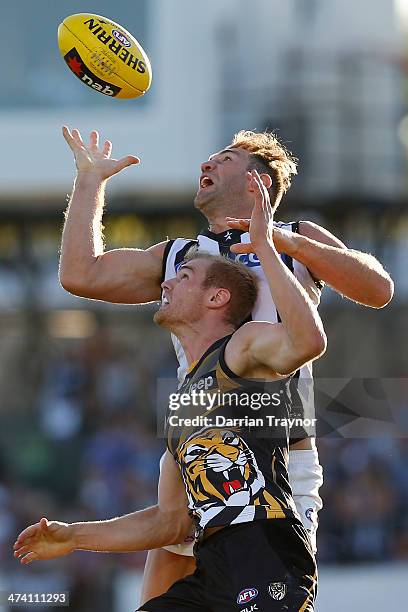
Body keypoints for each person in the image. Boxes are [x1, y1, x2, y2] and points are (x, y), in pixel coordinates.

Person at [58, 126, 393, 603]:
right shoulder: (180, 258)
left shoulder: (296, 239)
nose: (206, 165)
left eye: (224, 159)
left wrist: (281, 243)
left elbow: (378, 290)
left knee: (269, 593)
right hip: (198, 450)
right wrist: (91, 181)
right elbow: (80, 274)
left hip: (278, 458)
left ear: (260, 181)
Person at [14, 171, 327, 611]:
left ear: (217, 298)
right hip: (215, 569)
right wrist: (74, 535)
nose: (166, 281)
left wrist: (269, 247)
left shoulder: (241, 351)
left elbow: (309, 341)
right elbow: (169, 522)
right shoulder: (183, 404)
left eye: (183, 276)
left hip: (267, 560)